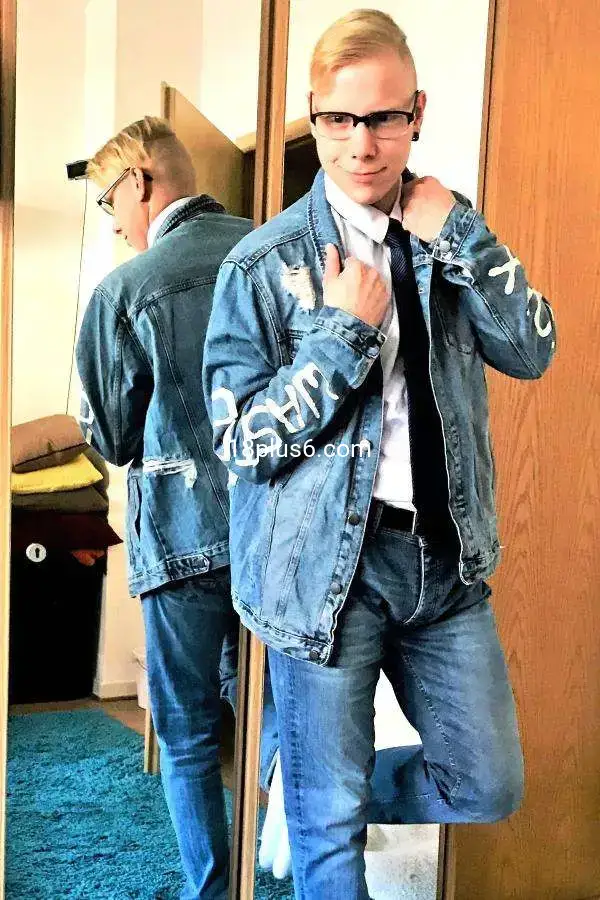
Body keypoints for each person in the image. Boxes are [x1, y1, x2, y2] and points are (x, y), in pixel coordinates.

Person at [203, 9, 557, 900]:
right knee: (328, 839)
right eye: (339, 119)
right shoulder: (261, 265)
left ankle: (312, 790)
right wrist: (338, 337)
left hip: (445, 564)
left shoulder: (449, 237)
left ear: (417, 114)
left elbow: (532, 350)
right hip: (325, 572)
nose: (362, 144)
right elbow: (241, 443)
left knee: (487, 785)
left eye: (384, 118)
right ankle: (318, 799)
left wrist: (463, 233)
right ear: (315, 117)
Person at [76, 116, 278, 900]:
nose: (113, 222)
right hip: (277, 532)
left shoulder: (126, 289)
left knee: (188, 731)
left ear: (140, 182)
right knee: (276, 714)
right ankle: (298, 860)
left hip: (183, 534)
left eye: (108, 202)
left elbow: (116, 437)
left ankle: (213, 892)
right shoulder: (276, 249)